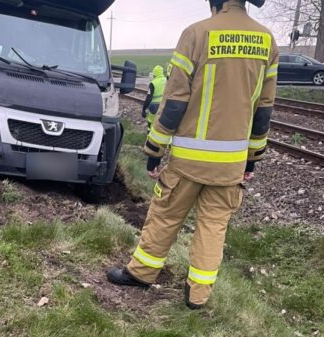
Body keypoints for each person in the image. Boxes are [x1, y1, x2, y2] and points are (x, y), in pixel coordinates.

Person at [107, 0, 278, 310]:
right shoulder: (267, 41)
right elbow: (263, 110)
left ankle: (141, 274)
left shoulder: (196, 34)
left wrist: (154, 149)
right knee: (213, 227)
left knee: (165, 216)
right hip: (231, 166)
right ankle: (197, 296)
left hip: (188, 162)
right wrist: (252, 158)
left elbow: (174, 102)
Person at [141, 65, 167, 129]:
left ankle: (149, 136)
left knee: (151, 123)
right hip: (164, 104)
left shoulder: (153, 83)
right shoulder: (166, 80)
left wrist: (144, 109)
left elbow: (148, 98)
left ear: (154, 73)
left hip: (154, 106)